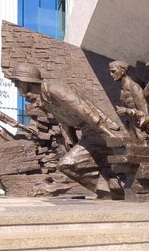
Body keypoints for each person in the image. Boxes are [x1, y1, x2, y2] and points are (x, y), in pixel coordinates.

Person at [9, 63, 124, 192]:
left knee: (123, 158)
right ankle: (113, 190)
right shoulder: (45, 98)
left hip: (100, 128)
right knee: (66, 165)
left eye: (17, 82)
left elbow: (82, 109)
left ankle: (122, 186)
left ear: (26, 81)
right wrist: (73, 142)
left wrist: (109, 133)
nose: (16, 86)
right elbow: (64, 123)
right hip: (88, 133)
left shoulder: (53, 88)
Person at [109, 60, 148, 138]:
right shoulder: (122, 89)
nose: (111, 74)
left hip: (142, 132)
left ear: (122, 71)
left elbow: (146, 114)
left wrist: (128, 111)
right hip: (132, 130)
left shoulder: (134, 87)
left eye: (113, 71)